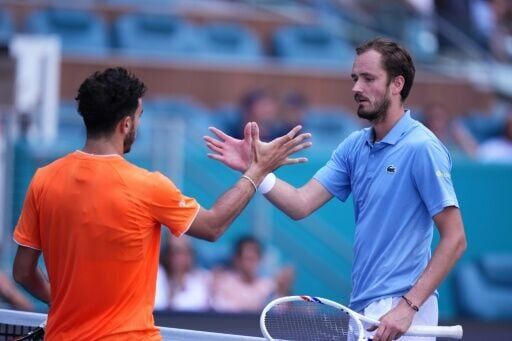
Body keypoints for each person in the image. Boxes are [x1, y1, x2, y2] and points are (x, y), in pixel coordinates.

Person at [11, 67, 312, 340]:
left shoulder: (44, 179)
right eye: (139, 117)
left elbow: (23, 272)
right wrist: (257, 170)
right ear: (126, 124)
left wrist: (66, 304)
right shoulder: (147, 185)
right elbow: (213, 225)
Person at [204, 38, 467, 341]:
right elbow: (301, 203)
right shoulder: (354, 146)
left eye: (368, 78)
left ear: (397, 84)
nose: (356, 88)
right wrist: (257, 170)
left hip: (403, 311)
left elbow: (455, 238)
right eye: (355, 78)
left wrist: (408, 306)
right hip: (362, 309)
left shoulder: (423, 147)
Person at [210, 235, 294, 313]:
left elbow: (281, 311)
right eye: (248, 259)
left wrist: (282, 290)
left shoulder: (268, 286)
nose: (252, 264)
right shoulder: (222, 283)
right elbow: (222, 309)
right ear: (236, 259)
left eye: (255, 258)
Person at [155, 235, 212, 312]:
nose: (175, 257)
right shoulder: (158, 274)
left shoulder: (201, 279)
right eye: (171, 251)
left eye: (180, 252)